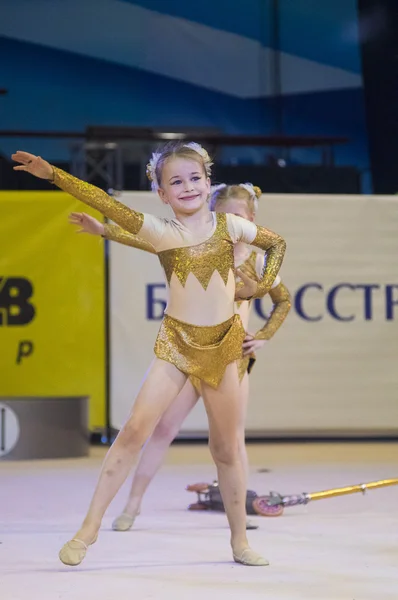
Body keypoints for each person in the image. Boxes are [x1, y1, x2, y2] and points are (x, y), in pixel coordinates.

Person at [12, 141, 286, 567]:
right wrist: (54, 176)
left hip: (225, 349)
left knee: (226, 449)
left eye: (195, 178)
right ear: (161, 193)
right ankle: (89, 529)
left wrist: (261, 286)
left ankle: (239, 541)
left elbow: (278, 245)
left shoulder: (231, 226)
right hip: (175, 346)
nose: (188, 186)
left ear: (208, 181)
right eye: (176, 181)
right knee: (135, 431)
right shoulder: (161, 232)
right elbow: (101, 200)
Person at [69, 182, 291, 532]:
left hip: (232, 360)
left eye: (237, 216)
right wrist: (104, 231)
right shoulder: (194, 243)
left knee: (232, 442)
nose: (229, 221)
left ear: (250, 219)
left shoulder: (259, 261)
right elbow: (148, 240)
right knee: (162, 428)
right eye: (222, 215)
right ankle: (132, 504)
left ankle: (239, 513)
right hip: (188, 353)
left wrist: (262, 336)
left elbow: (284, 300)